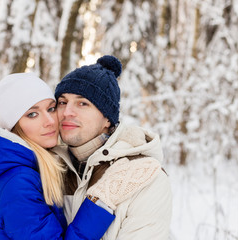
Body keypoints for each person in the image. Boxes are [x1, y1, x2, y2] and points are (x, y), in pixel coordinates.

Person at [0, 73, 144, 239]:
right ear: (14, 126)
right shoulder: (18, 184)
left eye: (51, 109)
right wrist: (101, 201)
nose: (50, 122)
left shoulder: (28, 171)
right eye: (32, 114)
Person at [52, 55, 173, 239]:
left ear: (107, 119)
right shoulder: (50, 168)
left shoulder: (144, 178)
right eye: (62, 102)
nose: (67, 112)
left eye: (82, 103)